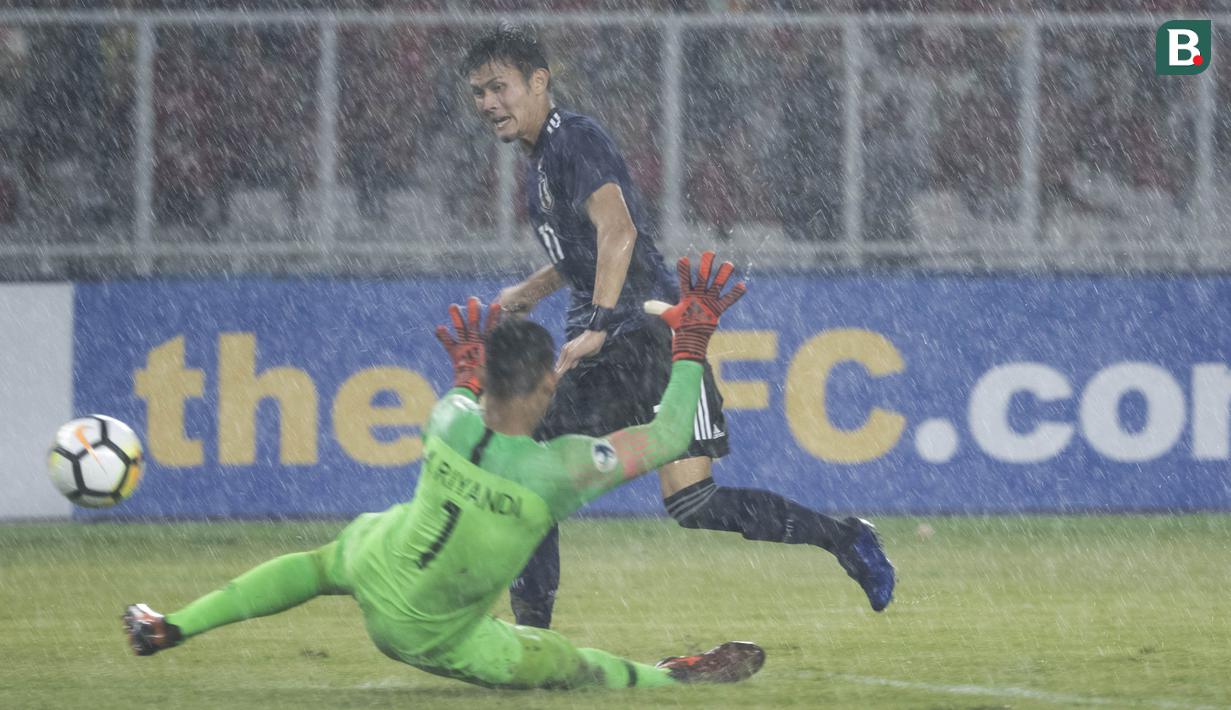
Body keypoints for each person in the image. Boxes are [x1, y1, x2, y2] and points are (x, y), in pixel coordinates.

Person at [122, 254, 765, 690]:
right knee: (565, 665)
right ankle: (670, 676)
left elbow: (463, 386)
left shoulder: (448, 417)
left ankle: (170, 626)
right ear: (548, 385)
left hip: (382, 561)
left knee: (319, 566)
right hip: (434, 632)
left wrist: (465, 366)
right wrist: (692, 341)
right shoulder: (558, 472)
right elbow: (671, 435)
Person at [461, 24, 895, 630]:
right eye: (478, 92)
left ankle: (846, 539)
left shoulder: (574, 142)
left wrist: (601, 324)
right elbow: (583, 251)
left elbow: (620, 232)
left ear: (540, 82)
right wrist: (529, 292)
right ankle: (845, 539)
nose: (487, 103)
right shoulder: (542, 162)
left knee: (562, 462)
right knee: (662, 494)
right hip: (624, 333)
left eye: (498, 87)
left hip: (651, 336)